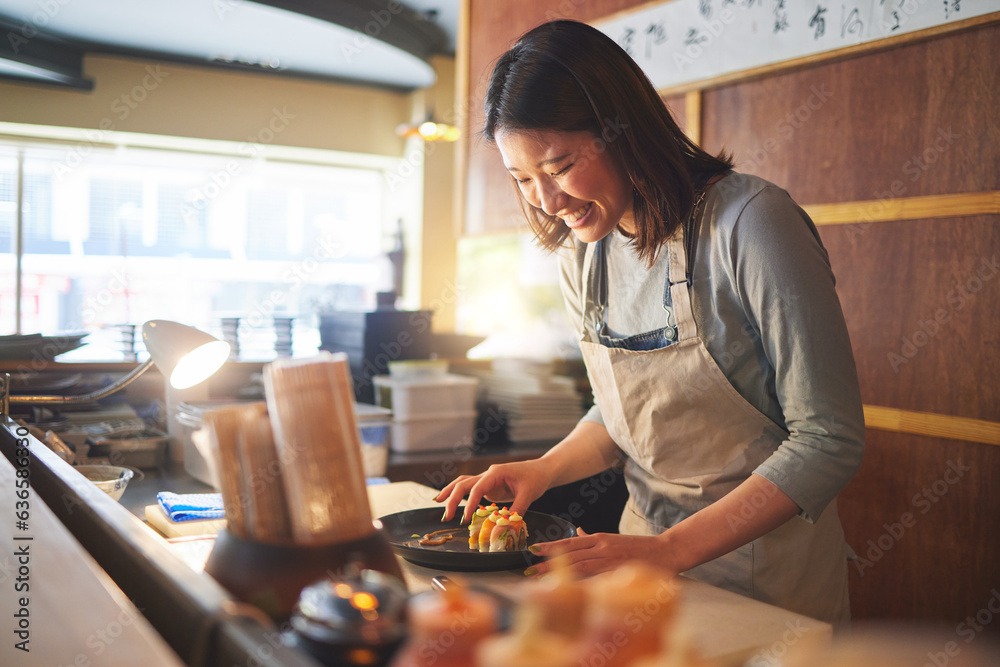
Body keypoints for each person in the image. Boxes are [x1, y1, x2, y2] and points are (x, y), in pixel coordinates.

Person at [435, 19, 864, 624]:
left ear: (623, 132)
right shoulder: (584, 248)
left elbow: (830, 440)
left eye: (558, 167)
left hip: (763, 576)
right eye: (522, 178)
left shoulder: (751, 224)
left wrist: (672, 550)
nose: (546, 202)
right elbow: (626, 415)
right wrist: (544, 469)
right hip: (636, 564)